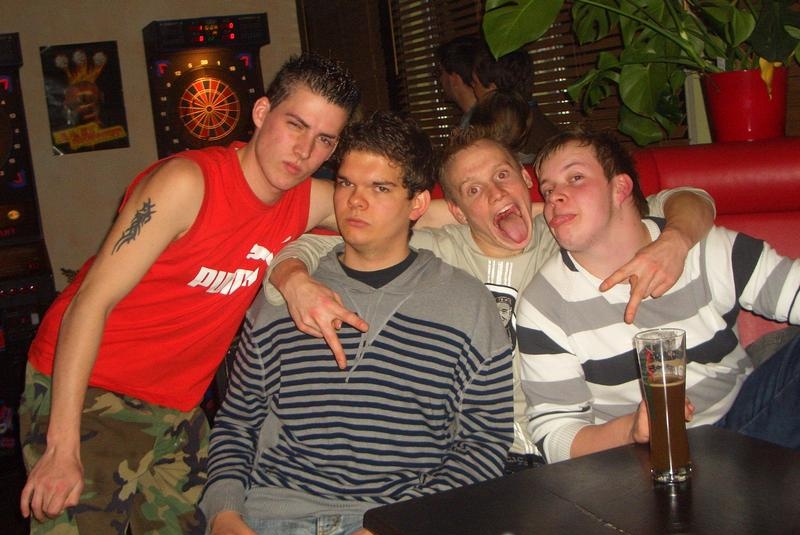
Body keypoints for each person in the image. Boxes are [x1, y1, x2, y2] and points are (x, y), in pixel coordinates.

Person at [17, 53, 361, 535]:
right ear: (262, 112)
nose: (304, 151)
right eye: (296, 125)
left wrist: (505, 203)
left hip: (178, 408)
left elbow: (405, 210)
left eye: (324, 140)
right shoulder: (186, 183)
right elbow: (90, 302)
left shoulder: (305, 200)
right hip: (89, 390)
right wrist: (61, 447)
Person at [185, 111, 514, 535]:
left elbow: (485, 441)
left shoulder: (466, 304)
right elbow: (238, 422)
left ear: (417, 203)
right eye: (345, 183)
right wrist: (225, 514)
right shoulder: (284, 296)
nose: (355, 201)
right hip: (270, 520)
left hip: (399, 528)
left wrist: (404, 525)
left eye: (380, 188)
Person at [267, 127, 716, 473]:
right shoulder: (439, 251)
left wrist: (675, 240)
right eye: (473, 190)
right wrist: (294, 280)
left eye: (502, 176)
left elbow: (685, 199)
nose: (497, 193)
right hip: (472, 455)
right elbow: (327, 246)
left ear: (525, 179)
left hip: (568, 448)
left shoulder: (568, 231)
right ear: (457, 212)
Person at [518, 127, 800, 464]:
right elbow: (555, 436)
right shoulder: (544, 304)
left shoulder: (705, 248)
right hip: (639, 463)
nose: (554, 198)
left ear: (620, 188)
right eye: (548, 189)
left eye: (575, 178)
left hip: (745, 426)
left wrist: (679, 241)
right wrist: (631, 430)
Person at [470, 46, 559, 154]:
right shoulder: (542, 128)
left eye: (475, 83)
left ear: (493, 91)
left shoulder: (507, 142)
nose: (472, 87)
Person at [435, 35, 481, 127]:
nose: (440, 80)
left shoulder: (475, 126)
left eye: (441, 73)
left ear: (454, 79)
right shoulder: (492, 116)